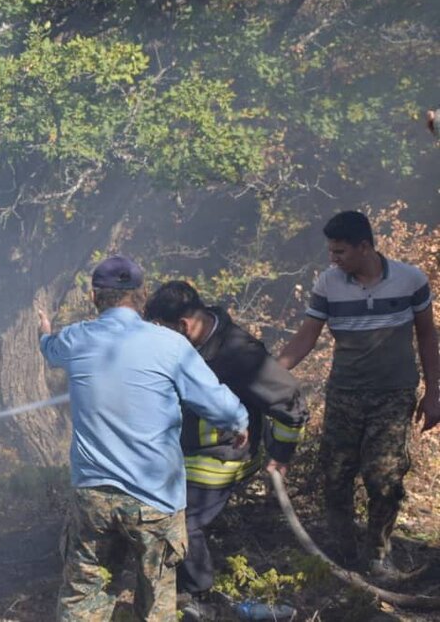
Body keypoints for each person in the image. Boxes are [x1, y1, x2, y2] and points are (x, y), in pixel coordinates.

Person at [38, 256, 249, 622]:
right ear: (142, 294)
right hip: (155, 499)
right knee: (157, 602)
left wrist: (44, 332)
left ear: (94, 297)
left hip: (94, 496)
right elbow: (219, 405)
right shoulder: (171, 345)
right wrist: (240, 420)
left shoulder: (74, 339)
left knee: (83, 595)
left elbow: (50, 348)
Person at [278, 210, 439, 578]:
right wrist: (269, 373)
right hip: (344, 393)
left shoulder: (410, 280)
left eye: (340, 252)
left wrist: (434, 393)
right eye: (331, 252)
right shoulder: (328, 284)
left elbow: (428, 336)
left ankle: (378, 555)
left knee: (383, 477)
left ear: (364, 246)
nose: (333, 260)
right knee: (335, 475)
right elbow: (307, 337)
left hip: (392, 394)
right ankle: (342, 553)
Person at [145, 281, 309, 620]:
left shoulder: (239, 353)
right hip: (185, 450)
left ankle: (198, 597)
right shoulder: (191, 346)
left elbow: (290, 401)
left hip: (222, 456)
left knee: (182, 518)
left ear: (184, 325)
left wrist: (281, 456)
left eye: (162, 331)